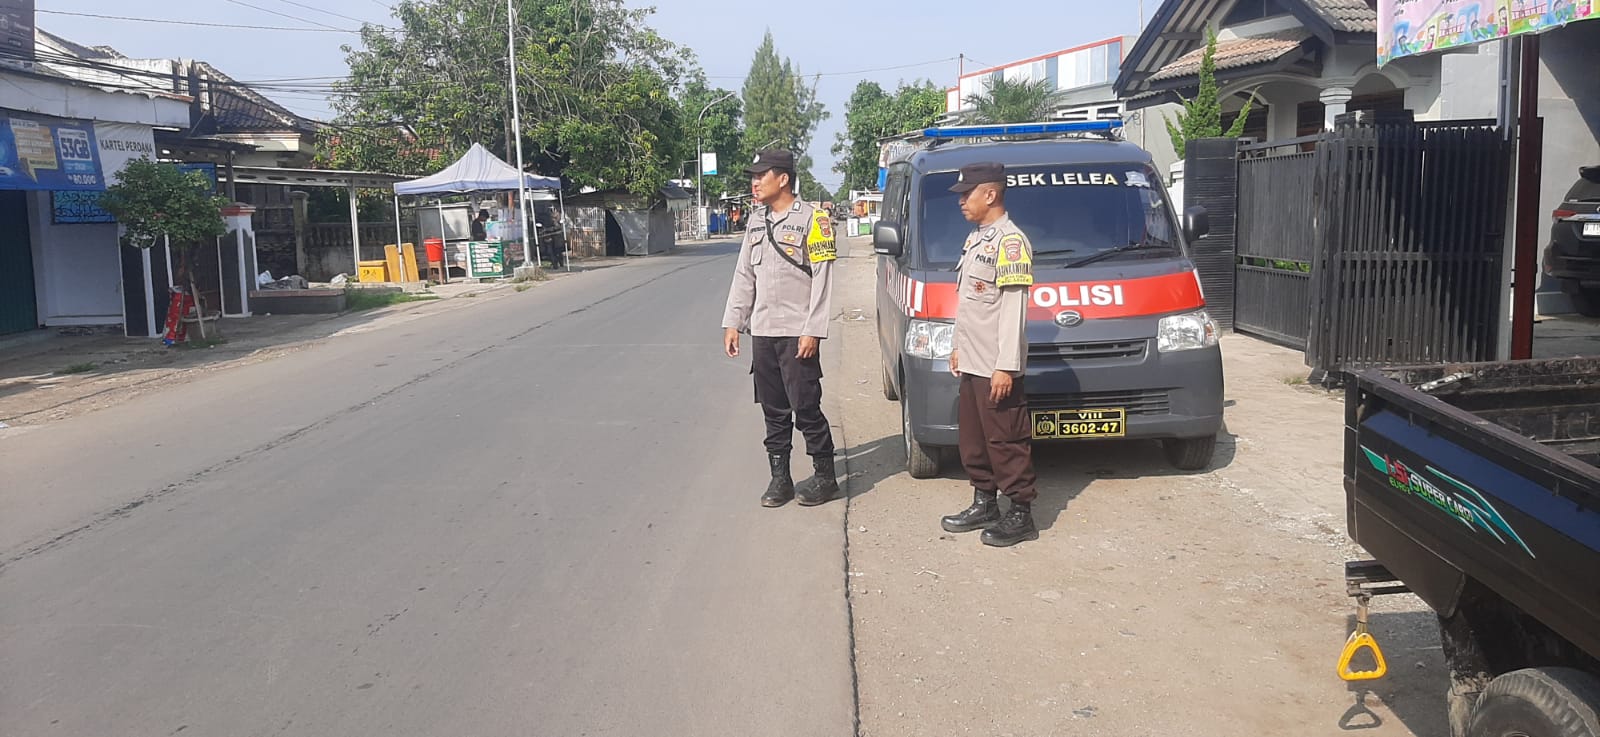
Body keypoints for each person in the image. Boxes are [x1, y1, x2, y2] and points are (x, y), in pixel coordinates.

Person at [722, 149, 840, 508]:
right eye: (753, 176)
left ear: (783, 178)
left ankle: (825, 476)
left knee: (806, 406)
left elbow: (822, 278)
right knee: (772, 409)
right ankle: (780, 478)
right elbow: (744, 275)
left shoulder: (814, 220)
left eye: (762, 175)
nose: (755, 182)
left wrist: (813, 329)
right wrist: (733, 322)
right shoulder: (756, 221)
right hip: (763, 331)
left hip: (797, 332)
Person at [938, 162, 1041, 547]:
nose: (961, 201)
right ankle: (985, 502)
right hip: (973, 361)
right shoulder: (976, 239)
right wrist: (958, 347)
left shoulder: (1010, 243)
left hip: (996, 365)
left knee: (1006, 440)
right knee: (975, 439)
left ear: (991, 194)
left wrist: (1006, 367)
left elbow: (1014, 309)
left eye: (968, 193)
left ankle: (1021, 513)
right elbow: (969, 303)